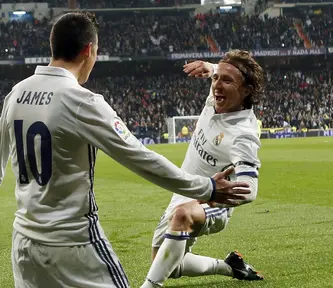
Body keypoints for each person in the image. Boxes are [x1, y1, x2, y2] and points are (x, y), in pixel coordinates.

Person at [0, 13, 250, 288]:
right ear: (89, 50)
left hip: (23, 243)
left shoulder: (16, 94)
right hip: (73, 243)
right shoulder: (81, 101)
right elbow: (140, 157)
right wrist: (207, 188)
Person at [141, 50, 265, 288]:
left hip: (212, 200)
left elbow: (250, 189)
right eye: (217, 78)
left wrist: (214, 195)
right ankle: (231, 266)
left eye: (227, 81)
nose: (217, 85)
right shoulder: (217, 97)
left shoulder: (242, 134)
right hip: (184, 191)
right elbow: (220, 78)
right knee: (168, 264)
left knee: (183, 216)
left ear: (246, 91)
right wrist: (211, 68)